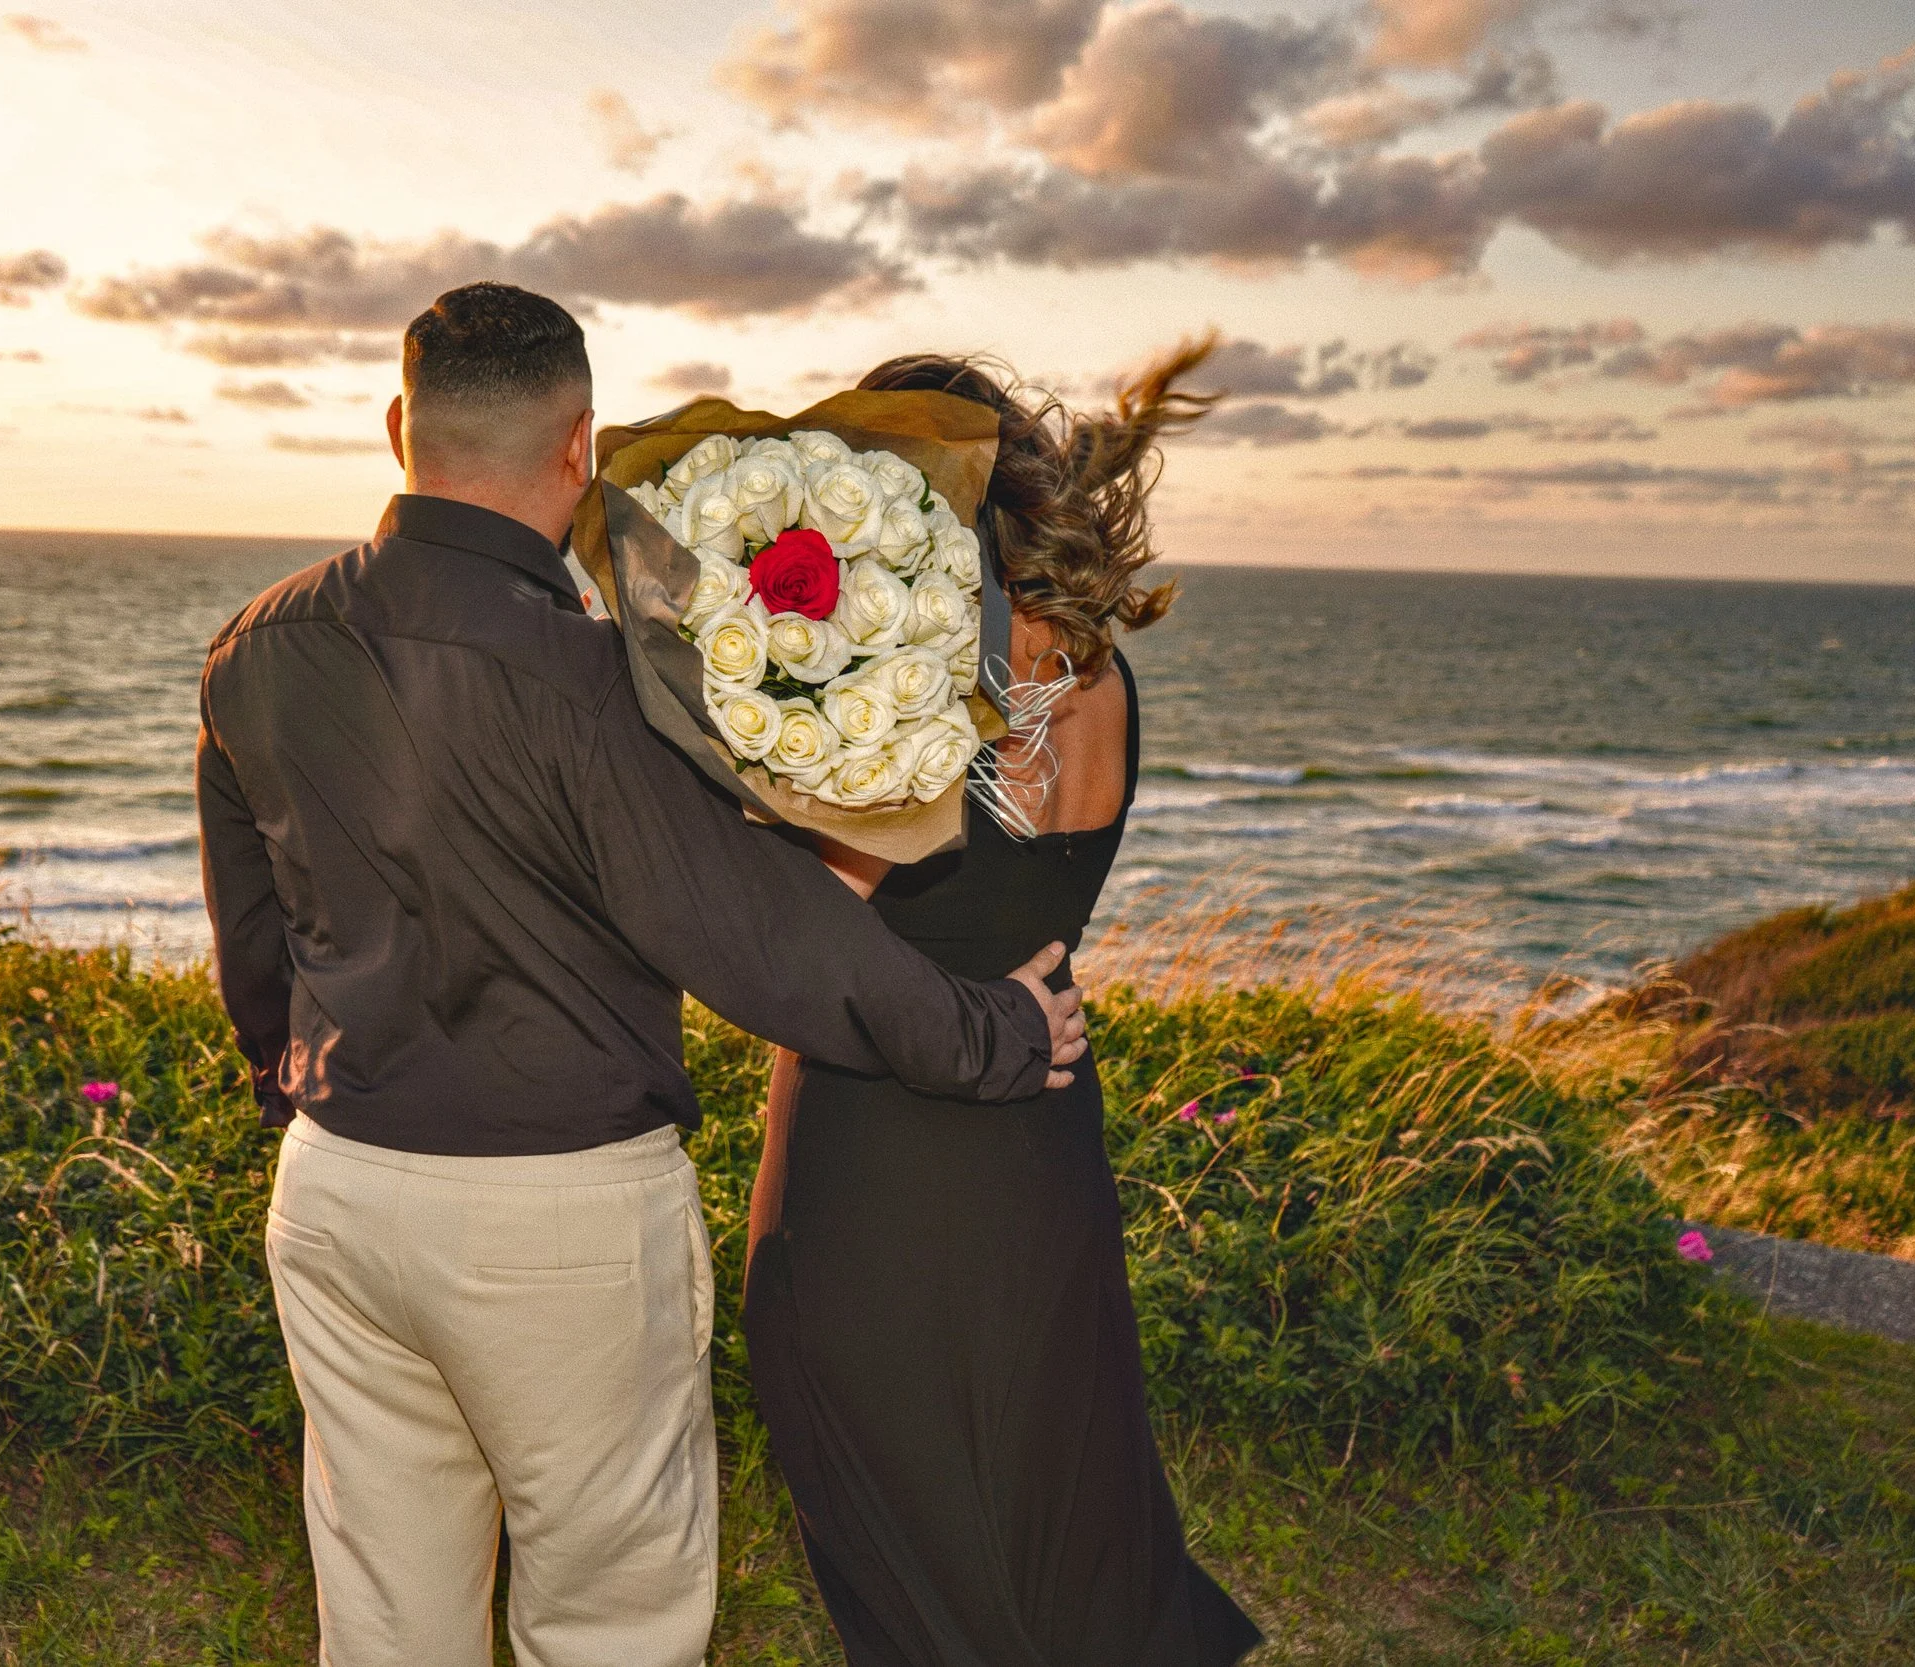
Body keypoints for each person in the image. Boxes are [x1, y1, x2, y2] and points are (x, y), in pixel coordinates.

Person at [194, 282, 1089, 1667]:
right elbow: (762, 938)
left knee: (383, 1613)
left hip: (339, 1189)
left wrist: (308, 1085)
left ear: (398, 429)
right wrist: (998, 1033)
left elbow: (252, 934)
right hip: (558, 1218)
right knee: (610, 1618)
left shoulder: (257, 644)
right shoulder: (599, 681)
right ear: (579, 448)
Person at [743, 347, 1265, 1666]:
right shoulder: (1094, 675)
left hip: (883, 1160)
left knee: (914, 1557)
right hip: (1045, 1143)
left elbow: (811, 934)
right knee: (1061, 1517)